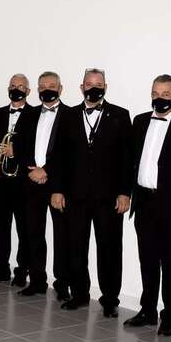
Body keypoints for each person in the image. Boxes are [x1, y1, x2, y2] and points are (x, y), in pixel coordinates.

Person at [49, 68, 133, 317]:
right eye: (89, 84)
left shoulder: (120, 115)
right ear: (81, 87)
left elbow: (127, 159)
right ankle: (80, 295)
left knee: (110, 249)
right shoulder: (68, 115)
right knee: (75, 247)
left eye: (98, 84)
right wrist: (57, 190)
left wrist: (124, 192)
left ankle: (110, 299)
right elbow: (58, 156)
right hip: (74, 196)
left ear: (105, 87)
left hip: (109, 197)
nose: (93, 88)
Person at [124, 75, 171, 336]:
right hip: (144, 201)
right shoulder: (140, 120)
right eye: (155, 93)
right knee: (146, 258)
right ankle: (147, 310)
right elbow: (131, 161)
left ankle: (169, 314)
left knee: (169, 260)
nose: (160, 98)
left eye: (166, 94)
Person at [16, 71, 70, 298]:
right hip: (31, 182)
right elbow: (18, 146)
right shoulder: (28, 114)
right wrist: (31, 169)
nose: (47, 89)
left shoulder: (71, 115)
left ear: (60, 88)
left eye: (52, 85)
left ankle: (62, 283)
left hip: (57, 185)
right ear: (37, 90)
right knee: (33, 233)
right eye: (43, 86)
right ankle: (37, 280)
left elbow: (70, 153)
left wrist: (46, 170)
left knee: (62, 236)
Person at [0, 74, 33, 285]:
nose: (16, 89)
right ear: (8, 89)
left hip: (23, 183)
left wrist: (15, 151)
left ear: (28, 91)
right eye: (13, 85)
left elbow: (36, 148)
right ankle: (1, 269)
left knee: (24, 230)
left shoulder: (35, 115)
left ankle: (22, 272)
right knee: (2, 229)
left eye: (21, 86)